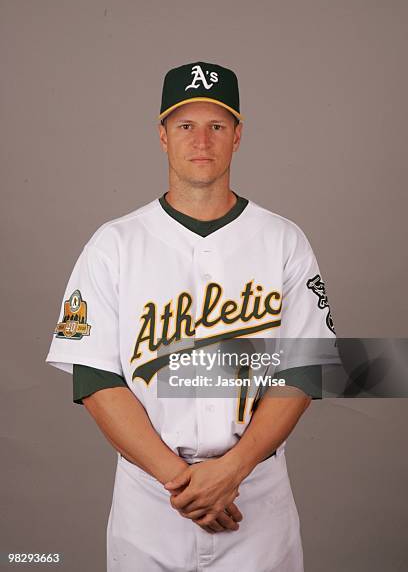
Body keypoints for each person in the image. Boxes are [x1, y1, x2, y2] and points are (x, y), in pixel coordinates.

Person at [45, 61, 338, 571]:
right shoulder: (114, 244)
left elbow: (304, 369)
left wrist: (234, 469)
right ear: (162, 136)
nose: (201, 140)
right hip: (152, 501)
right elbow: (94, 376)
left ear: (238, 136)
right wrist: (179, 481)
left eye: (216, 126)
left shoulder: (283, 240)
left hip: (255, 498)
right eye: (185, 125)